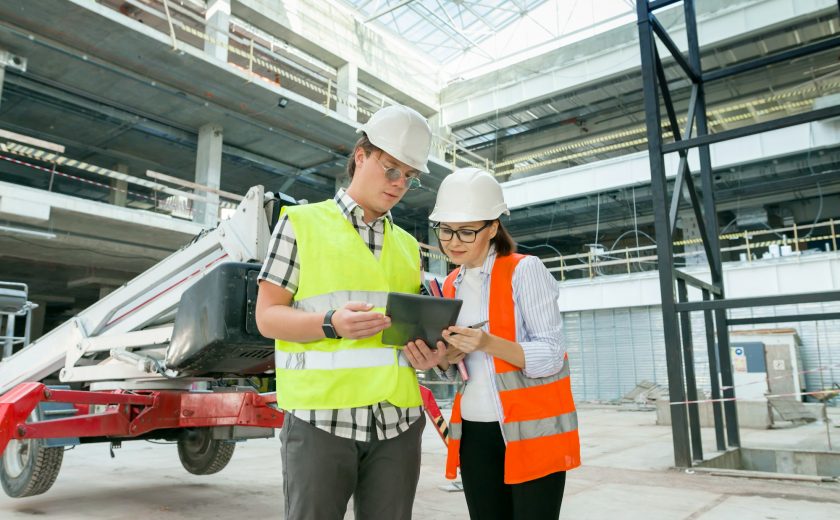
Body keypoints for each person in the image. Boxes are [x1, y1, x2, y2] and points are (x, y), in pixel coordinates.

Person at [255, 104, 446, 520]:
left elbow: (409, 331)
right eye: (391, 169)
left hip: (397, 420)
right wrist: (330, 323)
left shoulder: (408, 246)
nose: (398, 184)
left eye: (409, 177)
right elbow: (268, 316)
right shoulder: (300, 223)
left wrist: (429, 353)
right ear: (361, 155)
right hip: (322, 418)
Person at [404, 167, 581, 520]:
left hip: (531, 430)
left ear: (493, 228)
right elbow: (459, 370)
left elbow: (551, 354)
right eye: (446, 230)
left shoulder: (524, 270)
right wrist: (442, 358)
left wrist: (487, 342)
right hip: (473, 430)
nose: (453, 241)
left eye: (467, 232)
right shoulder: (449, 284)